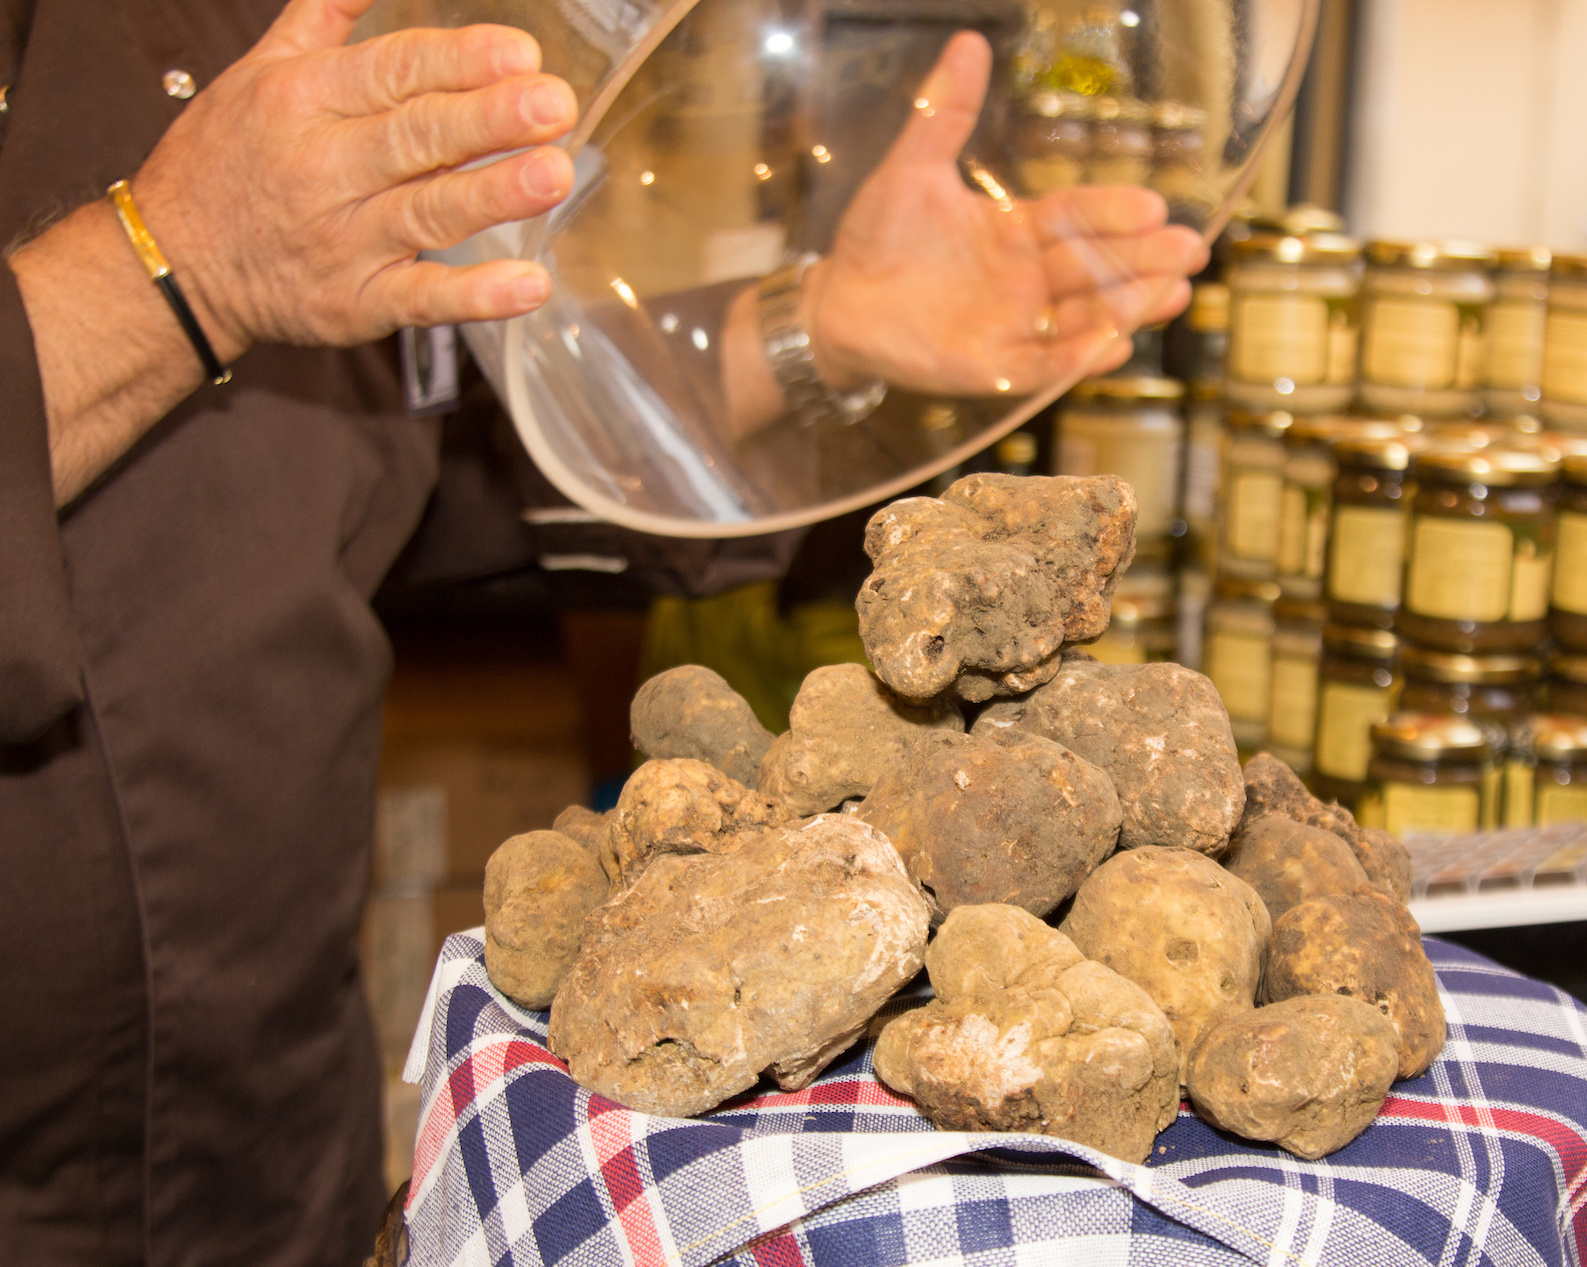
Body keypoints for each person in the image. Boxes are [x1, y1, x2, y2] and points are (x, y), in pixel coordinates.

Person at [0, 1, 1205, 1261]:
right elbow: (193, 295)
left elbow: (394, 462)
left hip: (261, 1132)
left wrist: (814, 332)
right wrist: (169, 262)